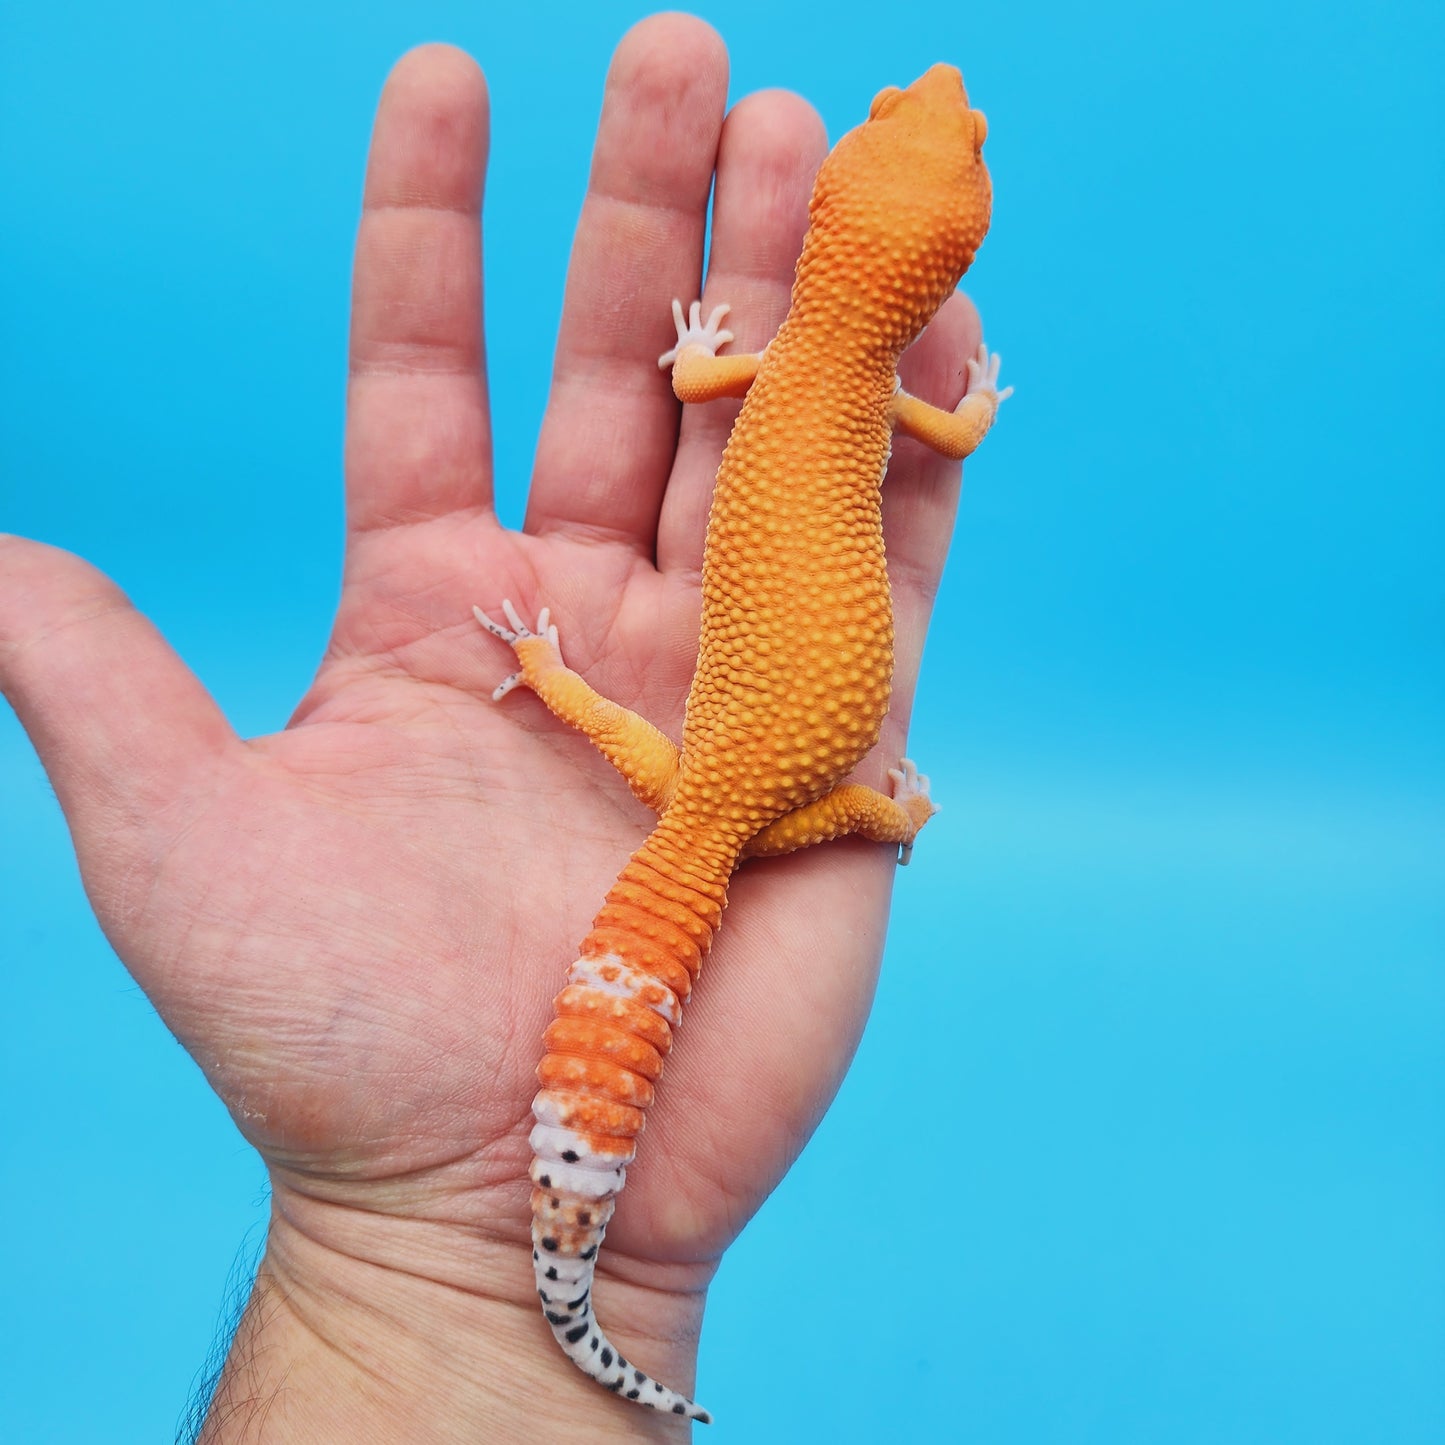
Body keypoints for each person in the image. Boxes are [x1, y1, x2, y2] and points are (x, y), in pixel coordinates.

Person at [0, 15, 992, 1439]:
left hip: (730, 776)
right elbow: (942, 438)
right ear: (938, 261)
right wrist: (877, 812)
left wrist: (552, 658)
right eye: (922, 117)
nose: (932, 100)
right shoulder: (869, 389)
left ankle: (570, 1285)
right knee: (806, 817)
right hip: (769, 784)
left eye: (936, 128)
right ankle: (574, 1294)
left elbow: (703, 384)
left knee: (734, 796)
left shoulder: (782, 365)